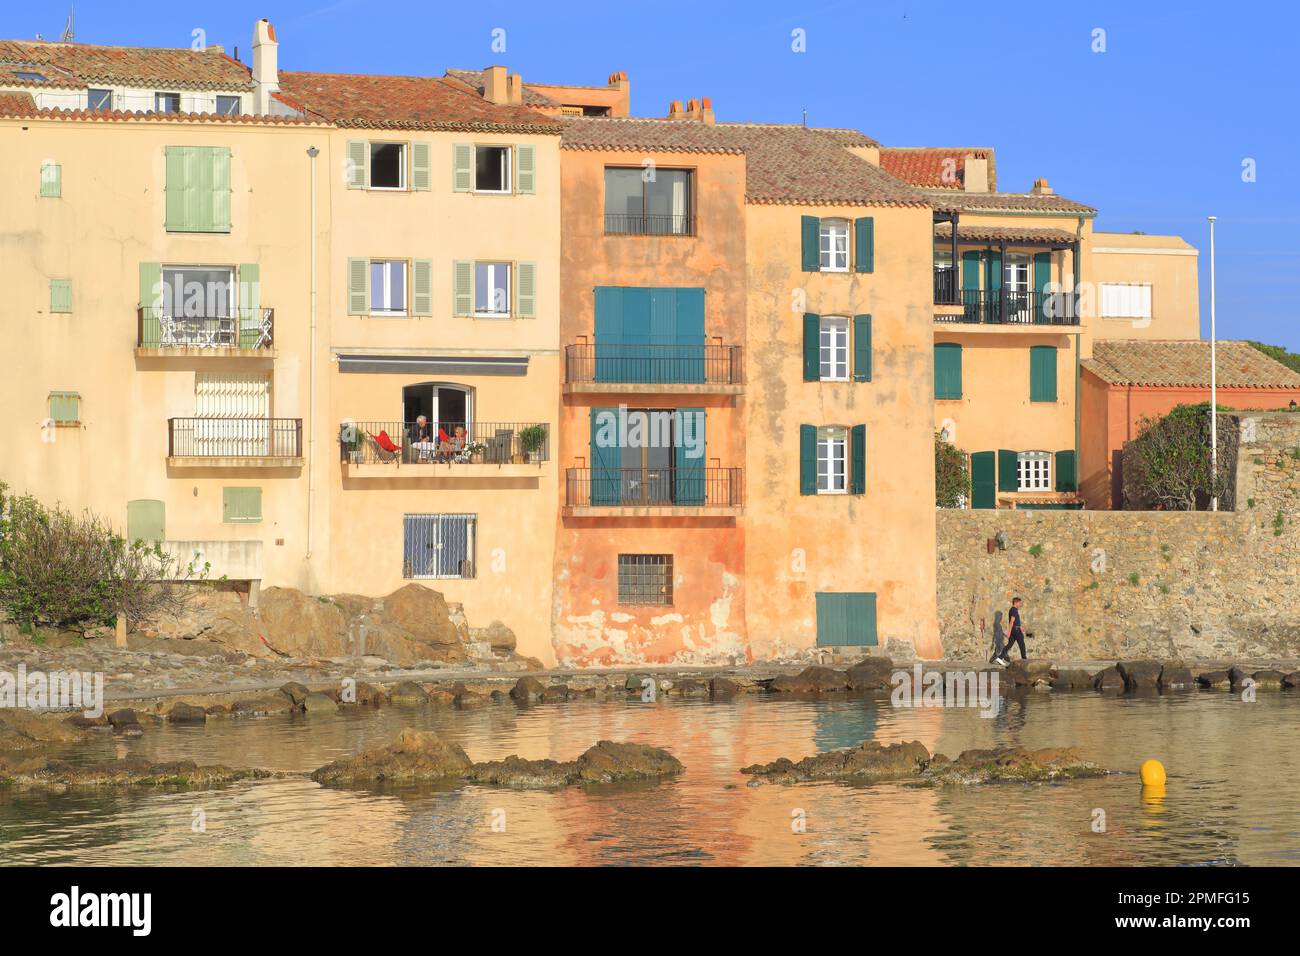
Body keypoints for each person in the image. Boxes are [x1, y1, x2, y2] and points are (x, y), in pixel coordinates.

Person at [996, 597, 1026, 664]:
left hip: (1015, 629)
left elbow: (1015, 621)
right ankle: (1024, 660)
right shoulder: (1014, 610)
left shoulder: (1013, 610)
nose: (1020, 604)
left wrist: (1020, 627)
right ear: (1015, 603)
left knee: (1009, 644)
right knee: (1022, 644)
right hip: (1016, 631)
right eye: (1019, 603)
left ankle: (999, 658)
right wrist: (1009, 632)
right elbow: (1011, 621)